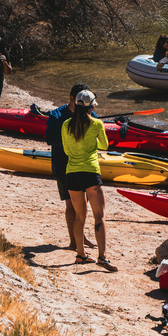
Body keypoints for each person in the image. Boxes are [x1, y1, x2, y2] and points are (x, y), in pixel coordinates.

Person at [61, 90, 117, 272]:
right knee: (99, 216)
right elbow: (104, 146)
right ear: (91, 106)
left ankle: (81, 255)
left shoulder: (66, 125)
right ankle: (102, 257)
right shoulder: (96, 124)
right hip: (90, 173)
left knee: (80, 216)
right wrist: (92, 144)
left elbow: (67, 150)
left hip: (72, 173)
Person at [45, 83, 97, 252]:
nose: (84, 106)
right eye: (80, 102)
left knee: (83, 206)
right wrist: (72, 135)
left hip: (84, 166)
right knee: (71, 206)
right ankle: (73, 242)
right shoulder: (56, 115)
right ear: (72, 99)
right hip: (63, 167)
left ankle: (81, 238)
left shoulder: (90, 113)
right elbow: (50, 139)